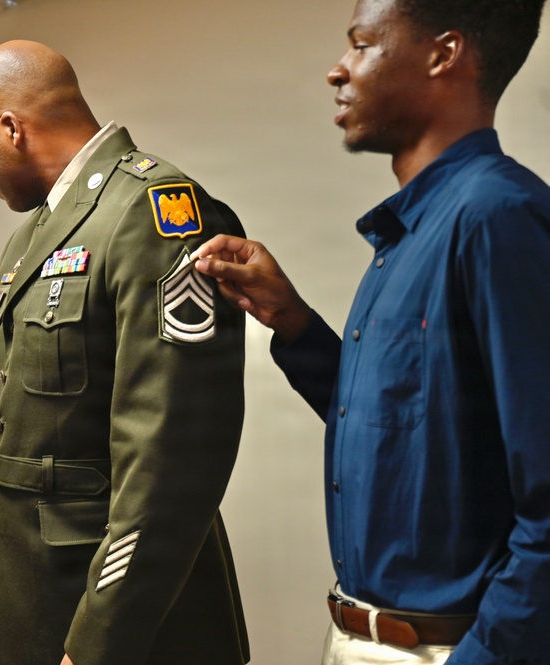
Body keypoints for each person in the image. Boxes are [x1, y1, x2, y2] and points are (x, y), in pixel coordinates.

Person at [193, 1, 550, 663]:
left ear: (442, 55)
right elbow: (406, 430)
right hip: (359, 637)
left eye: (360, 45)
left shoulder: (494, 216)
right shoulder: (410, 232)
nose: (338, 70)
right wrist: (291, 321)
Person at [0, 40, 249, 665]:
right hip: (32, 584)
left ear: (12, 128)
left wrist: (98, 642)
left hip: (121, 608)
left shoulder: (156, 212)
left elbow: (171, 458)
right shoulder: (29, 239)